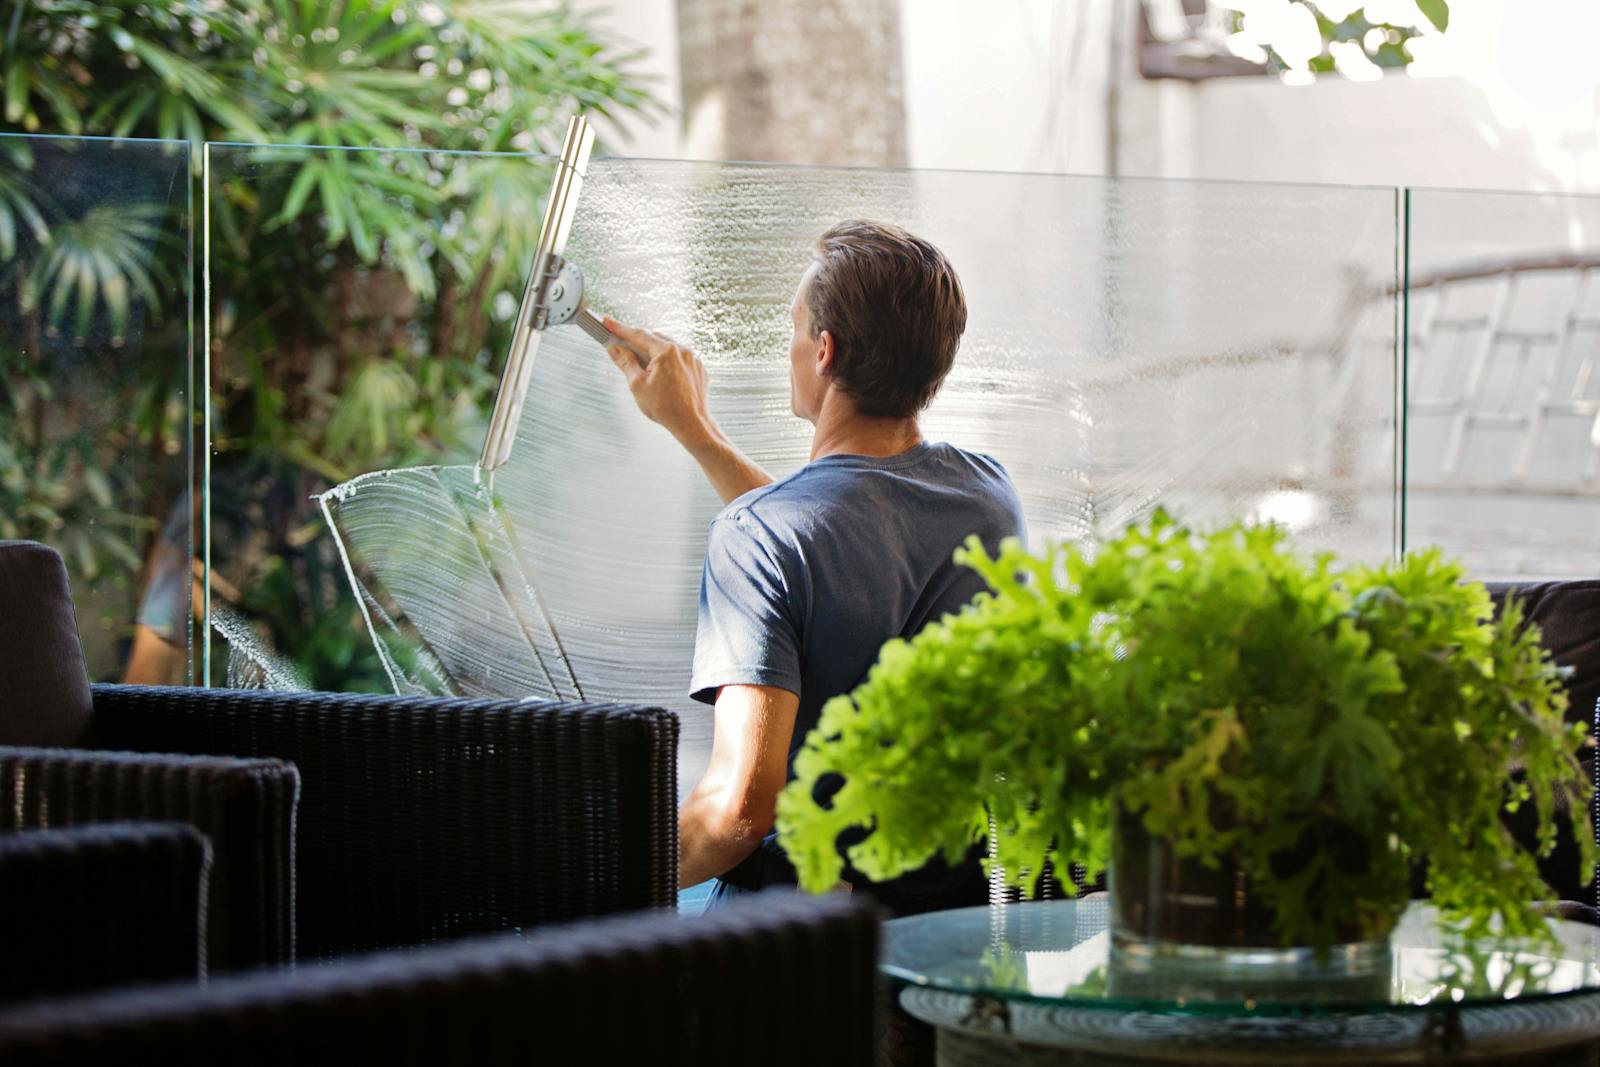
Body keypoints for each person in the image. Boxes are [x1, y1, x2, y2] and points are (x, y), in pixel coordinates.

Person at [603, 220, 1025, 915]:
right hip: (949, 924)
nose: (792, 345)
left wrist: (587, 873)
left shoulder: (762, 535)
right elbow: (840, 535)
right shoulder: (988, 496)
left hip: (803, 942)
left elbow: (737, 813)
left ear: (824, 352)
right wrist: (696, 431)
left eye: (795, 329)